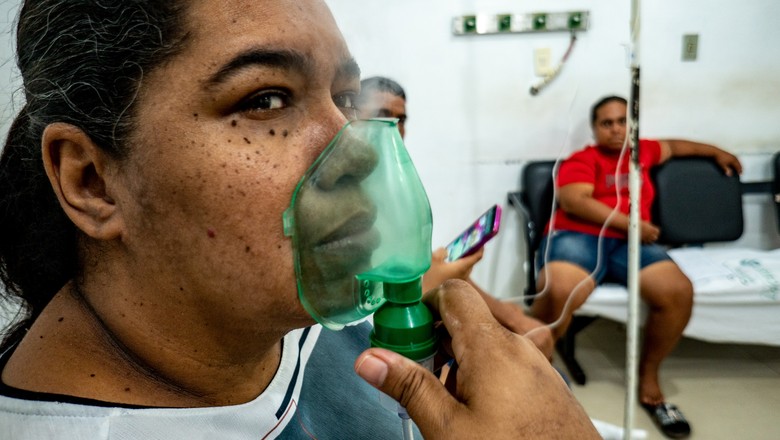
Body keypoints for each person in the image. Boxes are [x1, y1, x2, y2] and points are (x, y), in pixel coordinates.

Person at [0, 1, 599, 438]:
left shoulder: (274, 303)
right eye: (264, 100)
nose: (359, 151)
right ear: (92, 181)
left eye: (346, 100)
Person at [530, 95, 743, 439]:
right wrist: (632, 223)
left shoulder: (643, 151)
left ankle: (648, 379)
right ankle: (536, 371)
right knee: (559, 291)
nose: (616, 128)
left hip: (632, 243)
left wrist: (716, 151)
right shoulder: (582, 159)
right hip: (579, 236)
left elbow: (676, 146)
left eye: (621, 121)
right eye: (606, 123)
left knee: (677, 291)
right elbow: (574, 200)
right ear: (595, 128)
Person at [357, 76, 554, 360]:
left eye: (401, 120)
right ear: (349, 117)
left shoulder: (395, 188)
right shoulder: (344, 199)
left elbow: (428, 270)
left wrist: (512, 317)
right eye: (381, 117)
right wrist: (434, 281)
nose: (395, 131)